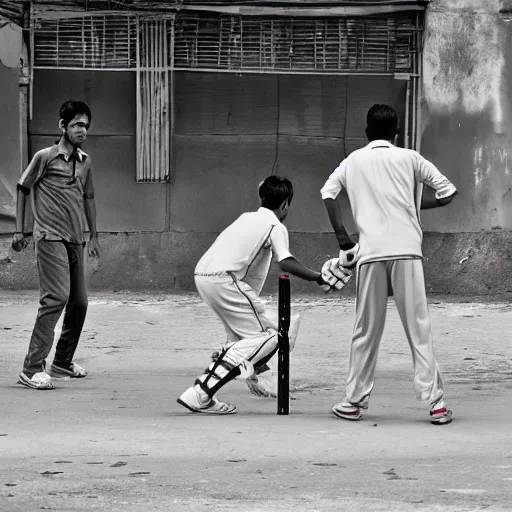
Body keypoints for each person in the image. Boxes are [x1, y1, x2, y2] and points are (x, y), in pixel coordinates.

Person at [320, 104, 458, 425]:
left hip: (370, 254)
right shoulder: (410, 158)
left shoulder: (353, 160)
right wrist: (412, 204)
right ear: (396, 133)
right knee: (418, 328)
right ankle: (436, 405)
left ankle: (353, 402)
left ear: (367, 132)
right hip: (407, 252)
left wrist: (343, 239)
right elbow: (448, 192)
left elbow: (328, 194)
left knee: (366, 330)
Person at [177, 176, 328, 414]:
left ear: (262, 197)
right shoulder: (275, 226)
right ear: (286, 204)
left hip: (204, 275)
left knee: (245, 339)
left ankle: (257, 375)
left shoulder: (246, 217)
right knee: (273, 337)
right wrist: (318, 277)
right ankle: (201, 392)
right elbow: (286, 262)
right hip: (226, 279)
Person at [12, 100, 100, 390]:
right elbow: (24, 188)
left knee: (80, 302)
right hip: (49, 237)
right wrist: (21, 230)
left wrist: (94, 236)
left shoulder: (85, 161)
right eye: (76, 124)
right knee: (55, 299)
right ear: (62, 126)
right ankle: (31, 368)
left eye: (85, 125)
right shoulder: (45, 157)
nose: (82, 130)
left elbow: (88, 198)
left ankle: (62, 362)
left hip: (75, 238)